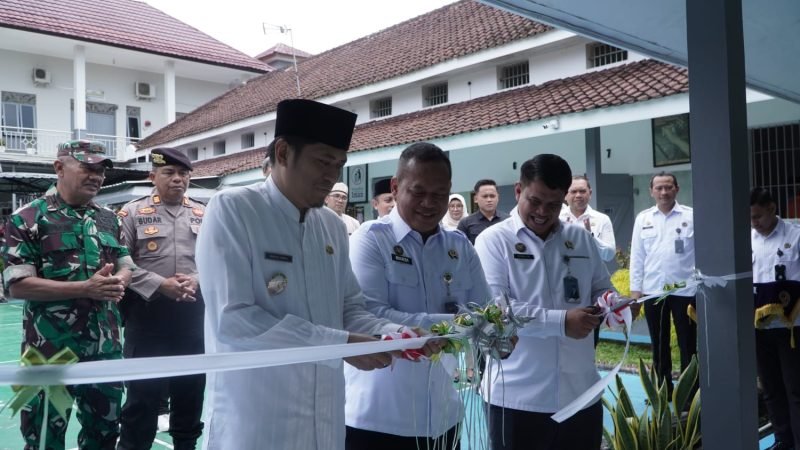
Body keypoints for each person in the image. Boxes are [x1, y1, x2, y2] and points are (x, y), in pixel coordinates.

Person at [196, 99, 438, 449]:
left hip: (324, 416)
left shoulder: (331, 226)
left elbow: (350, 309)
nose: (331, 176)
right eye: (322, 161)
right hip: (257, 418)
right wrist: (340, 344)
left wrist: (395, 334)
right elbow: (234, 321)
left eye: (338, 165)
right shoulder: (234, 210)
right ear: (282, 152)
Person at [345, 143, 490, 450]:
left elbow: (484, 309)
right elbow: (369, 314)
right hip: (379, 417)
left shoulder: (460, 246)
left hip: (443, 414)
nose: (429, 202)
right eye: (418, 191)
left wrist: (493, 328)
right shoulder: (370, 240)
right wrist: (455, 324)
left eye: (439, 194)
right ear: (396, 188)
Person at [2, 140, 135, 449]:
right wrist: (85, 288)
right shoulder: (27, 218)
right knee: (45, 434)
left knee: (104, 434)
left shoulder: (107, 218)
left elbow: (126, 264)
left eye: (101, 170)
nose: (97, 176)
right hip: (49, 352)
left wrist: (119, 281)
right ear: (59, 167)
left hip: (105, 349)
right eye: (88, 168)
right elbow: (17, 286)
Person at [474, 154, 609, 450]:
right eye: (535, 201)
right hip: (516, 397)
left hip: (581, 394)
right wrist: (561, 322)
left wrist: (614, 305)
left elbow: (602, 288)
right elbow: (496, 310)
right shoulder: (493, 241)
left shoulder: (580, 239)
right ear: (519, 191)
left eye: (553, 205)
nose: (542, 212)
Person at [116, 148, 206, 450]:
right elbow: (121, 260)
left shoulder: (204, 213)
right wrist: (159, 284)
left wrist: (196, 279)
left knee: (190, 392)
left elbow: (218, 259)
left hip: (192, 316)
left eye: (184, 174)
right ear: (152, 176)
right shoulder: (131, 213)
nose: (178, 179)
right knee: (143, 397)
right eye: (169, 173)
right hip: (147, 315)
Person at [629, 172, 696, 395]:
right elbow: (637, 257)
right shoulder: (643, 218)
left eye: (668, 187)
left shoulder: (691, 216)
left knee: (688, 343)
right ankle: (662, 390)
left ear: (676, 189)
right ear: (651, 192)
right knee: (659, 342)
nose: (664, 192)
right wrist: (635, 292)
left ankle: (689, 394)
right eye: (659, 188)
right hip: (653, 290)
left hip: (685, 290)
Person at [750, 188, 800, 450]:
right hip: (758, 328)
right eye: (750, 218)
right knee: (770, 387)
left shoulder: (796, 234)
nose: (754, 223)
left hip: (792, 326)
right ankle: (783, 439)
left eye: (758, 216)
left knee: (795, 388)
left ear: (771, 208)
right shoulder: (746, 239)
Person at [559, 175, 617, 262]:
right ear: (565, 195)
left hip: (592, 274)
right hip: (562, 273)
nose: (578, 195)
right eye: (573, 191)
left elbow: (609, 255)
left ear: (590, 193)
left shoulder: (602, 219)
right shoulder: (557, 218)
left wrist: (590, 237)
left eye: (582, 191)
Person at [458, 179, 509, 244]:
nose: (489, 200)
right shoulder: (465, 223)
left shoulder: (507, 220)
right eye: (485, 196)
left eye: (492, 196)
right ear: (476, 199)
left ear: (498, 198)